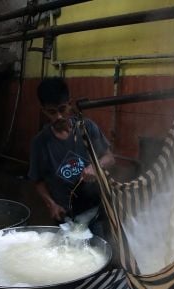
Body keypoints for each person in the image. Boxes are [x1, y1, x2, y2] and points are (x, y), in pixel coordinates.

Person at [28, 77, 114, 235]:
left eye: (62, 109)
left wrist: (95, 167)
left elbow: (109, 157)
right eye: (52, 112)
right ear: (43, 110)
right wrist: (51, 204)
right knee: (69, 255)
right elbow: (37, 180)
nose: (59, 116)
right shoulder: (39, 143)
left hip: (94, 209)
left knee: (99, 249)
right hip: (64, 214)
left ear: (70, 103)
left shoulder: (86, 128)